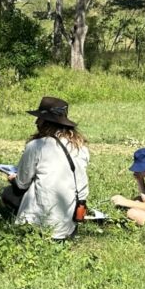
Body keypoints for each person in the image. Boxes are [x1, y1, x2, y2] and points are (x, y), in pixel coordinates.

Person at [10, 97, 90, 241]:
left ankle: (29, 227)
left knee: (9, 193)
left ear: (46, 122)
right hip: (68, 223)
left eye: (39, 119)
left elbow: (22, 183)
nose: (36, 122)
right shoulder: (80, 146)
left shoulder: (36, 146)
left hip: (42, 225)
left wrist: (13, 178)